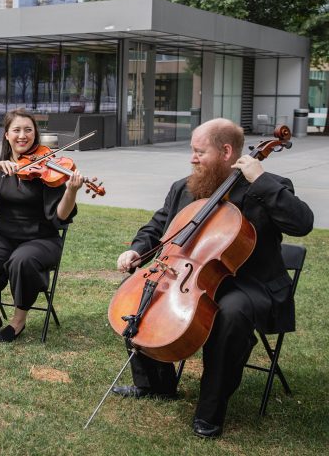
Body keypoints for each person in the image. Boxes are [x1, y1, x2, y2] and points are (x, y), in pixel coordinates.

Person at [112, 118, 313, 438]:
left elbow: (302, 223)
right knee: (140, 292)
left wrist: (261, 181)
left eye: (198, 151)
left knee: (230, 314)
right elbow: (156, 228)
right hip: (191, 277)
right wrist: (137, 251)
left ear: (226, 151)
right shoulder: (185, 187)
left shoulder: (269, 185)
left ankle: (210, 411)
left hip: (249, 283)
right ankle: (155, 385)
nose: (192, 158)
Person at [0, 109, 82, 342]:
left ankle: (18, 321)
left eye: (28, 130)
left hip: (42, 238)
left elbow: (61, 215)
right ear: (6, 135)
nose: (22, 135)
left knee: (22, 261)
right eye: (16, 130)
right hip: (3, 233)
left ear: (35, 134)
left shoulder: (50, 167)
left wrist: (72, 191)